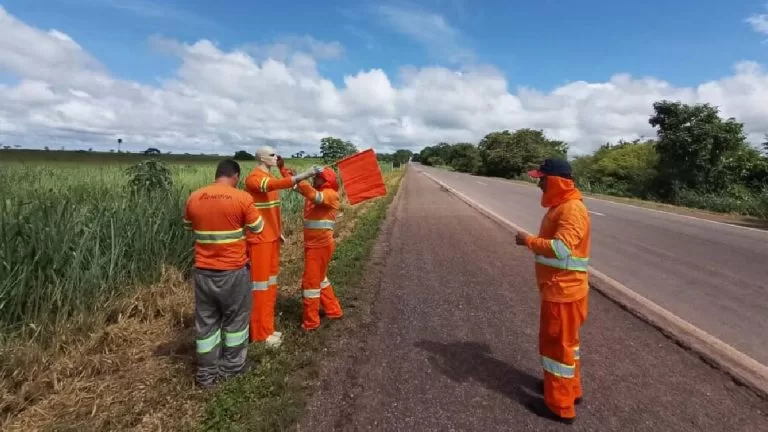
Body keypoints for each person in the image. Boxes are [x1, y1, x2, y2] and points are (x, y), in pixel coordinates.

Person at [514, 158, 591, 425]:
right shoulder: (562, 206)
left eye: (542, 179)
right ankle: (570, 390)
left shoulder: (571, 210)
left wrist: (527, 241)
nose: (539, 184)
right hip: (563, 289)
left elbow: (560, 249)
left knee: (557, 349)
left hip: (563, 292)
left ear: (556, 180)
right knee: (568, 346)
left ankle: (559, 406)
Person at [182, 159, 264, 388]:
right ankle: (232, 369)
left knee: (206, 325)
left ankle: (206, 375)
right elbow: (258, 228)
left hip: (203, 272)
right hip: (233, 271)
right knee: (236, 321)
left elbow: (188, 227)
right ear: (236, 176)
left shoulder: (195, 196)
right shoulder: (242, 198)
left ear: (217, 174)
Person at [244, 146, 322, 346]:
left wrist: (278, 232)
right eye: (271, 154)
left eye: (276, 154)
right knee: (260, 288)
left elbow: (271, 210)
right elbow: (276, 184)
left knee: (270, 286)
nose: (276, 157)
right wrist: (306, 174)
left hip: (271, 239)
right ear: (261, 158)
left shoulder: (268, 178)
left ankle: (267, 329)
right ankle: (259, 334)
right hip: (259, 241)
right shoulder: (254, 178)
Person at [279, 161, 344, 331]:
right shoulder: (316, 191)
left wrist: (303, 178)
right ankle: (333, 310)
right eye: (314, 177)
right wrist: (284, 170)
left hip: (321, 246)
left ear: (326, 180)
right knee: (320, 280)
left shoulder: (330, 194)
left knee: (310, 284)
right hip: (314, 245)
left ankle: (311, 322)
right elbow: (295, 186)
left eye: (317, 177)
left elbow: (314, 196)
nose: (315, 179)